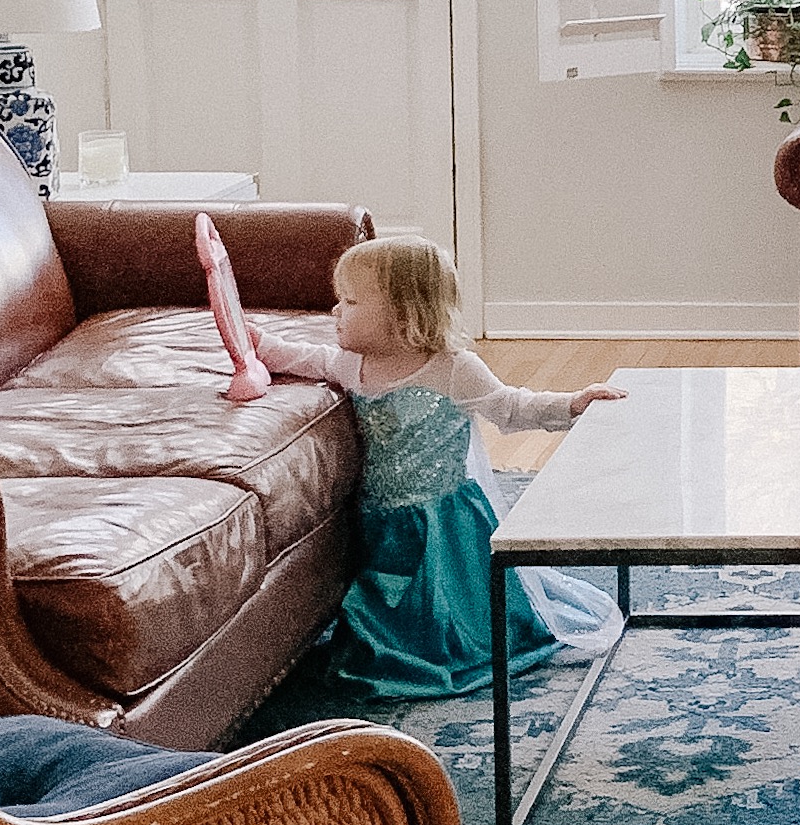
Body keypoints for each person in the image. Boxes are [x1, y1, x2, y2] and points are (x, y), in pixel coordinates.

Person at [253, 235, 622, 706]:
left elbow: (511, 408)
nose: (335, 311)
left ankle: (447, 646)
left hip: (444, 520)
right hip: (382, 518)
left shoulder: (452, 368)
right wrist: (257, 344)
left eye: (350, 301)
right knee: (391, 603)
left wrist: (571, 404)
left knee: (449, 608)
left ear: (403, 313)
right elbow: (301, 357)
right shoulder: (352, 364)